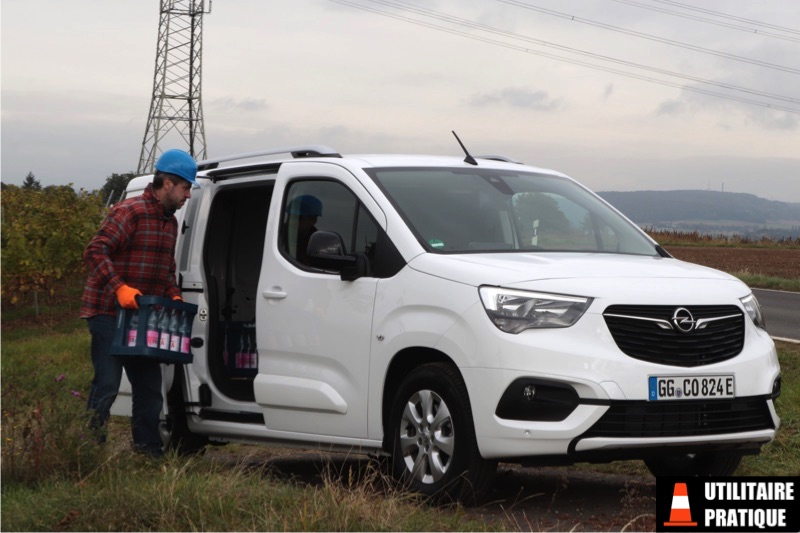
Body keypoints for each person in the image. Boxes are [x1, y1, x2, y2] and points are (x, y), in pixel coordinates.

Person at [81, 149, 197, 456]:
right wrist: (119, 288)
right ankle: (88, 452)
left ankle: (148, 452)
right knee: (107, 385)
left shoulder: (169, 223)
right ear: (168, 183)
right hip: (108, 313)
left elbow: (165, 269)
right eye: (186, 188)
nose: (187, 195)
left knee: (148, 388)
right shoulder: (129, 212)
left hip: (141, 318)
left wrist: (172, 292)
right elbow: (95, 251)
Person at [284, 194, 322, 265]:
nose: (292, 221)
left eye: (299, 218)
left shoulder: (316, 244)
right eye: (291, 216)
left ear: (313, 220)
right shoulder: (276, 237)